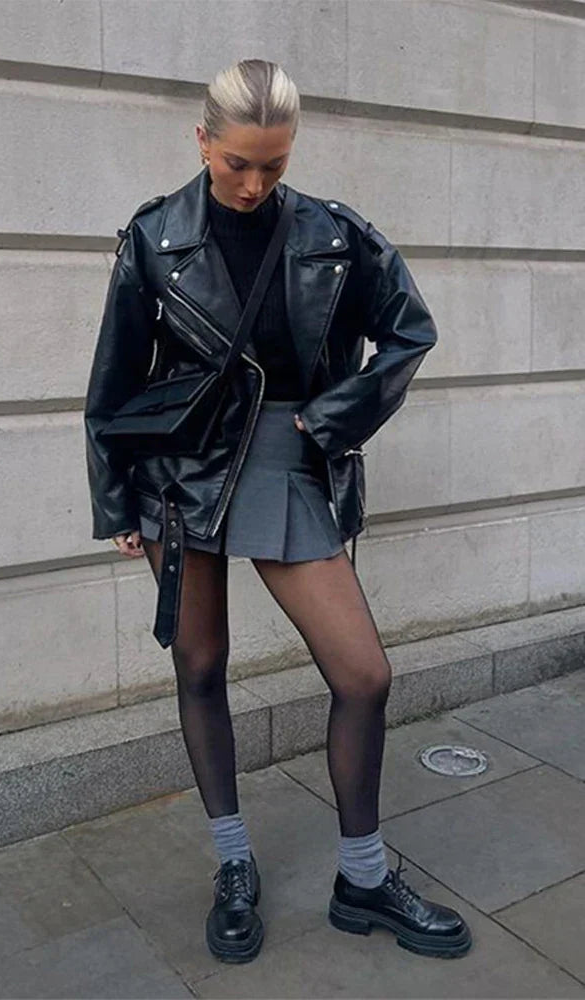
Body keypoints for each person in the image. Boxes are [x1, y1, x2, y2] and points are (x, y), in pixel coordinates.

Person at [84, 58, 472, 964]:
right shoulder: (154, 238)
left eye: (274, 164)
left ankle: (363, 878)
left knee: (363, 675)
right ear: (202, 142)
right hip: (180, 475)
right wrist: (115, 501)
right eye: (237, 164)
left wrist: (331, 420)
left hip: (284, 460)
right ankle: (233, 864)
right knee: (201, 665)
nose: (254, 184)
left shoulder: (334, 234)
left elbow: (410, 331)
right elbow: (112, 381)